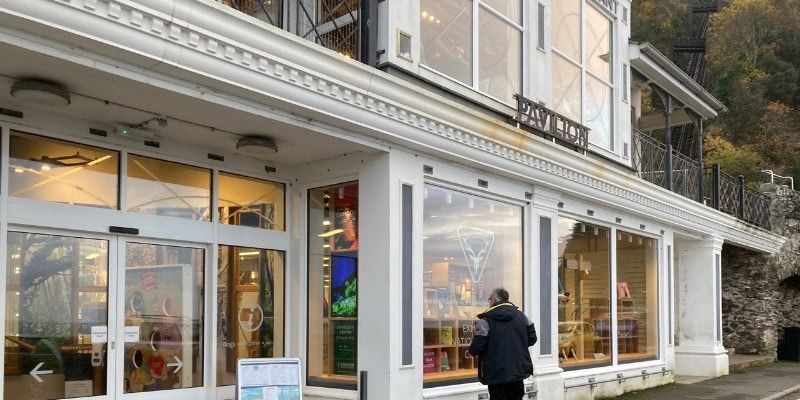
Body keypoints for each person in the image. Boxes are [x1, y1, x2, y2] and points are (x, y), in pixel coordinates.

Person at [468, 287, 537, 400]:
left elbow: (479, 345)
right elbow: (532, 338)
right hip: (517, 371)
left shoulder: (485, 320)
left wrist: (471, 351)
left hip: (496, 373)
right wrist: (518, 345)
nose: (489, 302)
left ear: (494, 300)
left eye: (489, 299)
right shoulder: (522, 316)